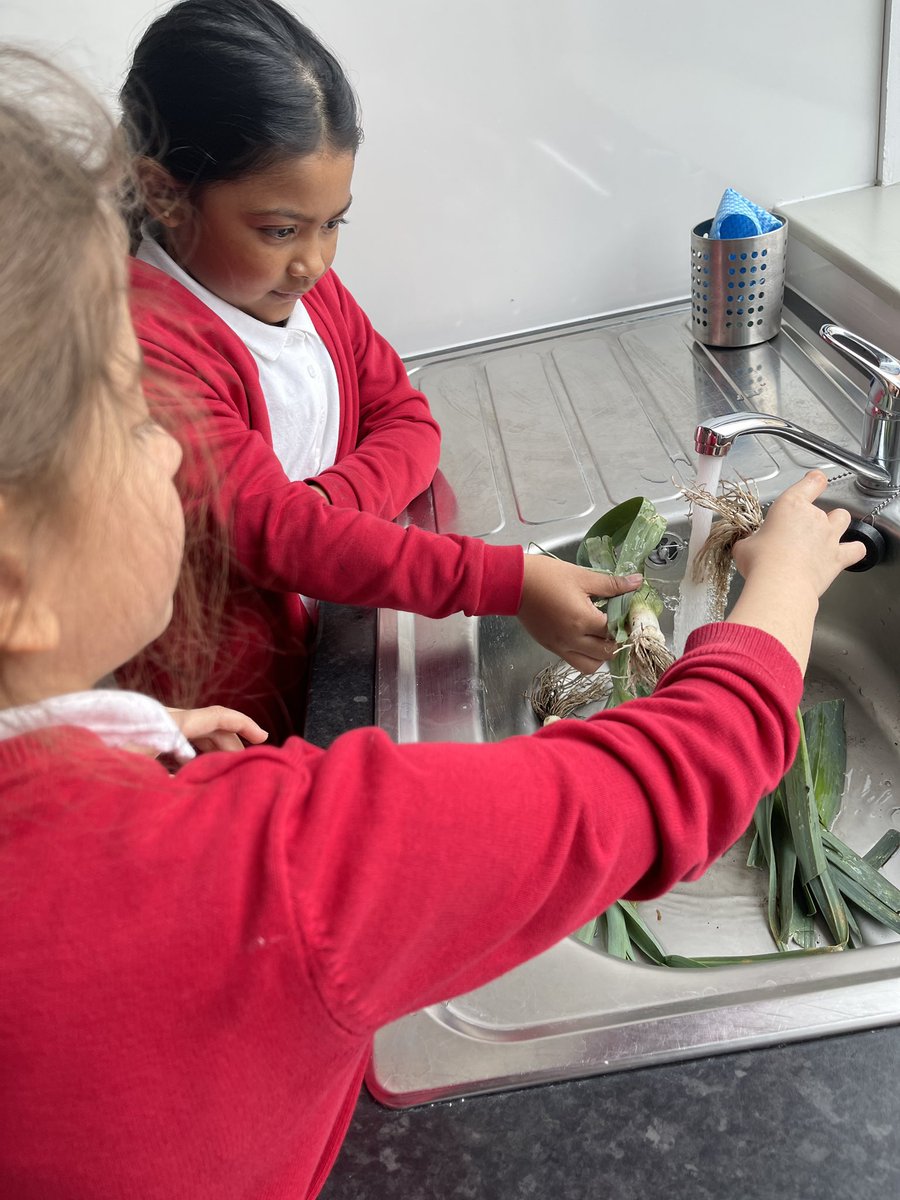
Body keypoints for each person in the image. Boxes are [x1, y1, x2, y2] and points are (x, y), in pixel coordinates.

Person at [0, 43, 866, 1200]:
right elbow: (676, 778)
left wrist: (124, 743)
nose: (174, 457)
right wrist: (787, 589)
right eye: (130, 415)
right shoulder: (270, 867)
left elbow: (390, 424)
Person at [120, 0, 650, 741]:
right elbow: (279, 535)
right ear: (162, 192)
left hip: (321, 654)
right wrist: (502, 580)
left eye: (334, 223)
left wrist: (328, 507)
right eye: (279, 230)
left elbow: (408, 418)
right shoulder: (145, 349)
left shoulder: (300, 290)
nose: (315, 259)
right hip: (226, 720)